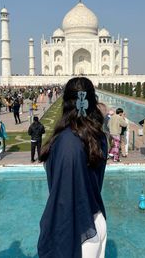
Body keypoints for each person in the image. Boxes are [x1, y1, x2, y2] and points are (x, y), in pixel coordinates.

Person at [38, 77, 108, 258]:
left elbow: (65, 198)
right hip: (96, 219)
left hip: (78, 230)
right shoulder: (96, 135)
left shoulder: (67, 142)